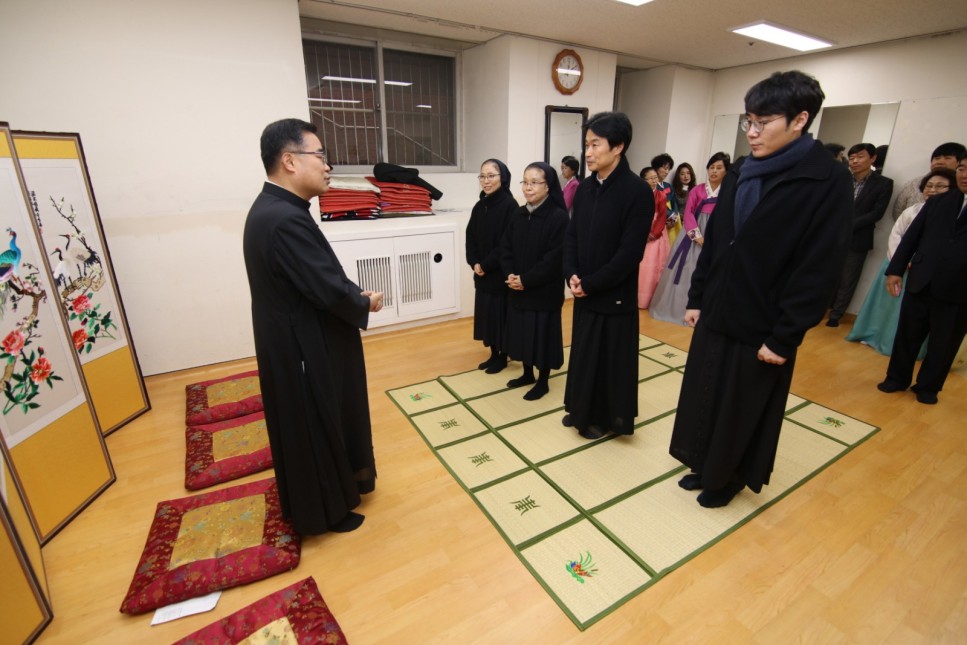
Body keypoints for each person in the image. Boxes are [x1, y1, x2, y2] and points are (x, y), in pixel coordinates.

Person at [669, 71, 852, 508]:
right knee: (705, 392)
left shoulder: (826, 179)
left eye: (762, 122)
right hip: (718, 307)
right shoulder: (742, 169)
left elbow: (819, 266)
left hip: (763, 320)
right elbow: (717, 241)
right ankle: (702, 463)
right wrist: (697, 297)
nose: (751, 132)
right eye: (747, 121)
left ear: (800, 120)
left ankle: (727, 479)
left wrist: (785, 335)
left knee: (741, 404)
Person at [243, 118, 382, 535]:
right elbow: (326, 288)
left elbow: (316, 276)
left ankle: (328, 496)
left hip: (291, 334)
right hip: (300, 343)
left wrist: (350, 294)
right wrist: (363, 301)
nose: (327, 165)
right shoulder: (284, 218)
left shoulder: (276, 209)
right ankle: (325, 510)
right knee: (313, 421)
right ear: (290, 161)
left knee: (309, 420)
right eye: (320, 155)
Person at [563, 112, 652, 440]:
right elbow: (571, 236)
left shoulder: (637, 191)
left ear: (618, 147)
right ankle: (580, 409)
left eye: (595, 145)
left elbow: (630, 254)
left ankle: (604, 418)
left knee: (608, 359)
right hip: (583, 288)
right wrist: (572, 274)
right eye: (586, 145)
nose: (587, 152)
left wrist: (591, 283)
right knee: (584, 353)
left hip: (612, 293)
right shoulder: (586, 188)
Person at [877, 153, 967, 405]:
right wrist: (895, 270)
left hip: (959, 289)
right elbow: (911, 237)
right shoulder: (939, 201)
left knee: (944, 343)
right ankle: (896, 378)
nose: (964, 175)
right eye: (962, 168)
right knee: (907, 334)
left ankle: (928, 387)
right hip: (922, 280)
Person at [846, 168, 955, 355]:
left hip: (926, 273)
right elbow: (896, 235)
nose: (933, 190)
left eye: (940, 186)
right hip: (898, 266)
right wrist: (902, 262)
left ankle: (900, 348)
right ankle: (874, 336)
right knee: (886, 308)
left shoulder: (954, 216)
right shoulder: (912, 211)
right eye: (929, 186)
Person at [500, 162, 569, 400]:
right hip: (518, 288)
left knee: (542, 337)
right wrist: (510, 274)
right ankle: (527, 374)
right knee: (522, 334)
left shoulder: (558, 217)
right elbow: (505, 247)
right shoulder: (518, 214)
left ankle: (543, 381)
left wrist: (526, 280)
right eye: (525, 182)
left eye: (534, 183)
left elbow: (554, 259)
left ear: (548, 186)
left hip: (543, 291)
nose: (528, 188)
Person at [649, 152, 730, 324]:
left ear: (726, 171)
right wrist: (696, 235)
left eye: (719, 168)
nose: (714, 171)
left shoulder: (728, 192)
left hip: (715, 233)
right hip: (692, 233)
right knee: (685, 270)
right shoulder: (697, 190)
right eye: (711, 167)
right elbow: (688, 213)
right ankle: (678, 310)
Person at [826, 143, 893, 327]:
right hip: (832, 236)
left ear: (873, 158)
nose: (855, 161)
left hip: (858, 237)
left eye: (860, 156)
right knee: (827, 274)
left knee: (848, 278)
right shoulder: (841, 179)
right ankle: (822, 308)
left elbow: (877, 213)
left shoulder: (884, 183)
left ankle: (836, 314)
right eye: (852, 157)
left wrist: (847, 224)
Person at [466, 159, 518, 373]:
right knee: (487, 316)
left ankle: (503, 356)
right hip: (482, 274)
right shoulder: (480, 206)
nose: (486, 181)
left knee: (500, 317)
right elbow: (470, 237)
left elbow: (507, 242)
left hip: (499, 274)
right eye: (482, 176)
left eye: (491, 176)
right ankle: (494, 354)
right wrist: (474, 262)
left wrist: (485, 265)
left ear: (502, 178)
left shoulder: (510, 205)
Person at [891, 142, 966, 220]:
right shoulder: (914, 183)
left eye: (947, 158)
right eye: (937, 158)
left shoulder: (962, 185)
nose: (939, 162)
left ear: (960, 162)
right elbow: (898, 210)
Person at [637, 167, 669, 309]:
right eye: (650, 178)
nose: (654, 180)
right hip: (640, 230)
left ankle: (649, 299)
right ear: (643, 180)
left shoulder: (661, 195)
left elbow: (662, 216)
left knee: (652, 267)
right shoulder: (638, 194)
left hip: (655, 232)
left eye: (655, 177)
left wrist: (654, 233)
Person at [652, 153, 678, 242]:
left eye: (668, 169)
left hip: (671, 220)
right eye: (665, 168)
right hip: (657, 219)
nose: (667, 172)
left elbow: (674, 202)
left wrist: (674, 216)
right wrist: (670, 216)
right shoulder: (652, 186)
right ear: (656, 168)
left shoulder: (668, 186)